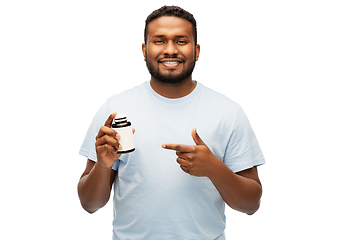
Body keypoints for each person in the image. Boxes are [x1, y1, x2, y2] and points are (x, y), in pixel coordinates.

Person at [78, 5, 265, 240]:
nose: (170, 50)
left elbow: (251, 205)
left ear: (196, 50)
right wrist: (103, 166)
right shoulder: (115, 112)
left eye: (181, 41)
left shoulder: (228, 113)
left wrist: (214, 169)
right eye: (159, 41)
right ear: (144, 49)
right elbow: (89, 204)